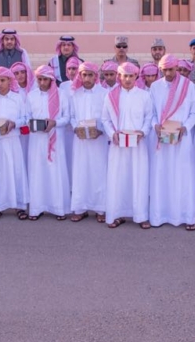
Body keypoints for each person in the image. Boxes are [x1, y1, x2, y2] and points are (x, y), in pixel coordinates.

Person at [102, 62, 153, 229]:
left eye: (131, 76)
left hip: (138, 145)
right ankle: (117, 214)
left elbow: (149, 118)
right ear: (120, 77)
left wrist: (142, 133)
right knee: (118, 179)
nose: (128, 79)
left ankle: (141, 215)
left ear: (136, 77)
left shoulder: (144, 95)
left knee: (139, 178)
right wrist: (112, 134)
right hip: (118, 145)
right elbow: (105, 119)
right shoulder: (111, 95)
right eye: (125, 76)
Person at [149, 54, 195, 230]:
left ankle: (186, 216)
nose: (168, 73)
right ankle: (159, 216)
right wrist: (155, 125)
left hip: (182, 138)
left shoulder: (188, 86)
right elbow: (152, 111)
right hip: (162, 138)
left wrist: (185, 127)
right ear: (160, 69)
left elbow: (194, 113)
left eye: (171, 69)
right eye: (165, 70)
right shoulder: (155, 87)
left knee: (182, 176)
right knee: (162, 175)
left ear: (176, 68)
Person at [0, 67, 29, 220]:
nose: (0, 83)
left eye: (3, 80)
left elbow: (25, 118)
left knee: (16, 172)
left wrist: (14, 124)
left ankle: (20, 206)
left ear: (10, 81)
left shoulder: (18, 98)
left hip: (13, 140)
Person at [26, 65, 70, 220]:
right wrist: (33, 124)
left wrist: (54, 122)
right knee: (38, 172)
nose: (42, 82)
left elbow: (67, 118)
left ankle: (58, 208)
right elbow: (26, 116)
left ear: (51, 80)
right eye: (40, 79)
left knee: (55, 172)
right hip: (37, 139)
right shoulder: (31, 96)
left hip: (55, 138)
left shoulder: (62, 95)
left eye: (45, 79)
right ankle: (37, 208)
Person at [68, 62, 108, 223]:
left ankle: (101, 208)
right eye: (84, 75)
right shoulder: (74, 94)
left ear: (96, 76)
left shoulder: (104, 93)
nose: (87, 78)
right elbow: (71, 116)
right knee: (81, 172)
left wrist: (100, 130)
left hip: (98, 140)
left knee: (98, 172)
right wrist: (75, 128)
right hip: (80, 140)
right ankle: (80, 208)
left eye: (90, 75)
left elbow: (107, 117)